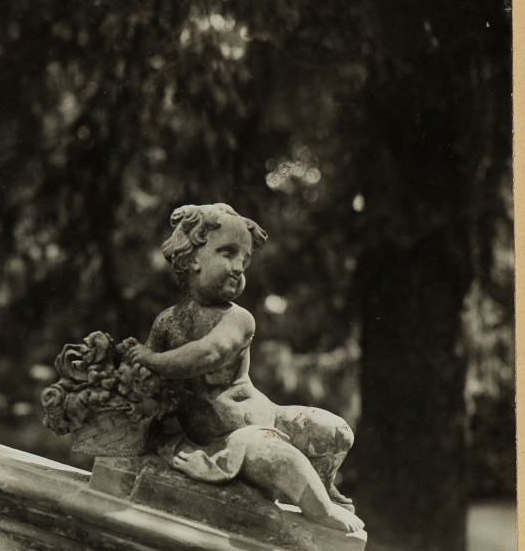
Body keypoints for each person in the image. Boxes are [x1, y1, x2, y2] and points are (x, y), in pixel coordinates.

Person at [126, 203, 364, 534]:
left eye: (246, 260)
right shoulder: (167, 323)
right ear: (192, 258)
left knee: (336, 432)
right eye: (228, 253)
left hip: (269, 417)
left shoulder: (238, 318)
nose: (239, 267)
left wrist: (150, 360)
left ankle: (320, 488)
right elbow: (144, 386)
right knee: (282, 460)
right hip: (228, 438)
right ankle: (321, 511)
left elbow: (210, 353)